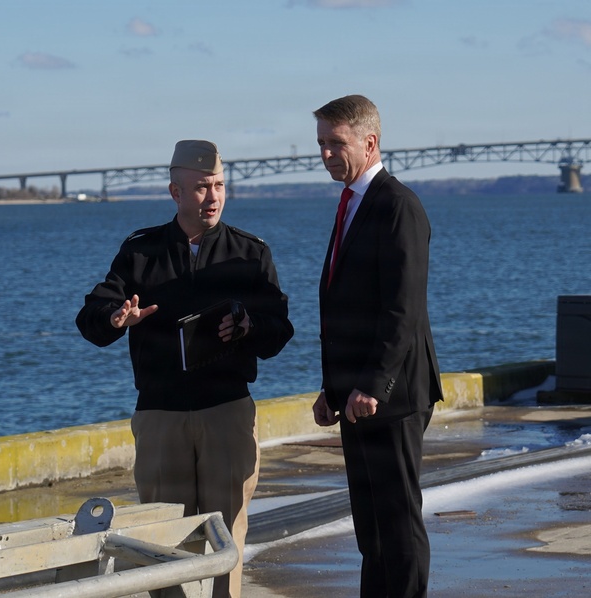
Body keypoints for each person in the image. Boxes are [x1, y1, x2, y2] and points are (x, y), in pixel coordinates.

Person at [76, 140, 294, 598]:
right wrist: (117, 317)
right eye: (200, 188)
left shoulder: (250, 253)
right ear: (175, 192)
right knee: (159, 537)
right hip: (161, 414)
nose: (212, 197)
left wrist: (251, 325)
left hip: (227, 411)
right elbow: (92, 317)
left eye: (218, 186)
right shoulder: (141, 251)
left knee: (227, 531)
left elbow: (280, 332)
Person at [311, 95, 444, 597]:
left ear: (369, 142)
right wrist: (332, 387)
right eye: (321, 143)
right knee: (371, 530)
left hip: (391, 396)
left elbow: (401, 309)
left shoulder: (398, 205)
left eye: (335, 143)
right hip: (355, 396)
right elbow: (345, 306)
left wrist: (371, 383)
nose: (325, 154)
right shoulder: (353, 203)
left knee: (399, 523)